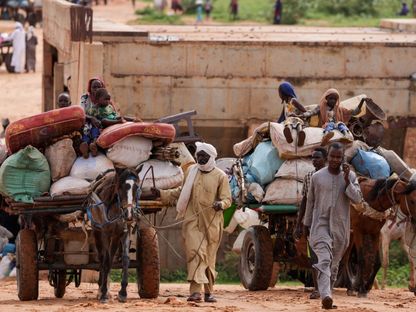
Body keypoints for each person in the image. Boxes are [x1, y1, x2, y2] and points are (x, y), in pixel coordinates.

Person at [152, 142, 232, 303]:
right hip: (192, 220)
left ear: (212, 157)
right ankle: (195, 292)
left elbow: (227, 199)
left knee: (208, 257)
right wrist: (161, 193)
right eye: (199, 156)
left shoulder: (220, 176)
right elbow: (181, 192)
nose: (200, 159)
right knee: (195, 253)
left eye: (204, 156)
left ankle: (209, 292)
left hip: (212, 223)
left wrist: (221, 205)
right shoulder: (190, 171)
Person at [304, 142, 362, 309]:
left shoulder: (350, 176)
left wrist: (347, 180)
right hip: (319, 224)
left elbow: (357, 199)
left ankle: (328, 292)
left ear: (342, 158)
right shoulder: (317, 177)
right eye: (332, 156)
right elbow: (310, 202)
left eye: (339, 157)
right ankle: (326, 295)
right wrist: (307, 223)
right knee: (324, 259)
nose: (335, 160)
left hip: (340, 227)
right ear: (327, 157)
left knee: (334, 264)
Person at [294, 147, 327, 300]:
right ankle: (317, 288)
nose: (314, 160)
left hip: (330, 220)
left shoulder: (334, 176)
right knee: (314, 255)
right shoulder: (308, 177)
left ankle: (326, 287)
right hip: (313, 220)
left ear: (325, 159)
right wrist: (299, 223)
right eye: (313, 158)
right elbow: (305, 201)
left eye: (318, 157)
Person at [300, 89, 365, 146]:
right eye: (331, 98)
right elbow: (311, 112)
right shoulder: (321, 107)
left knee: (341, 124)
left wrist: (362, 101)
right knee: (329, 125)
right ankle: (326, 136)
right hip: (326, 125)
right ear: (326, 98)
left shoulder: (339, 109)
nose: (333, 101)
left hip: (336, 125)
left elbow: (354, 113)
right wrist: (302, 115)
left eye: (335, 99)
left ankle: (346, 136)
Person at [80, 88, 123, 158]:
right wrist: (92, 118)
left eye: (109, 99)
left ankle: (92, 145)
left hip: (108, 121)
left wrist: (117, 117)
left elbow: (114, 114)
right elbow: (86, 115)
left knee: (94, 133)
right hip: (96, 126)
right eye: (105, 99)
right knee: (92, 132)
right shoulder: (94, 108)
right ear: (97, 100)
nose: (108, 101)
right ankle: (86, 147)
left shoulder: (110, 107)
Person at [277, 81, 307, 146]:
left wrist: (297, 116)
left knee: (299, 126)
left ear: (284, 92)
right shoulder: (285, 103)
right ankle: (289, 136)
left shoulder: (293, 101)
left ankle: (301, 136)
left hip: (296, 119)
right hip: (288, 120)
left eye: (279, 92)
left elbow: (304, 110)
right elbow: (282, 117)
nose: (279, 95)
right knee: (288, 125)